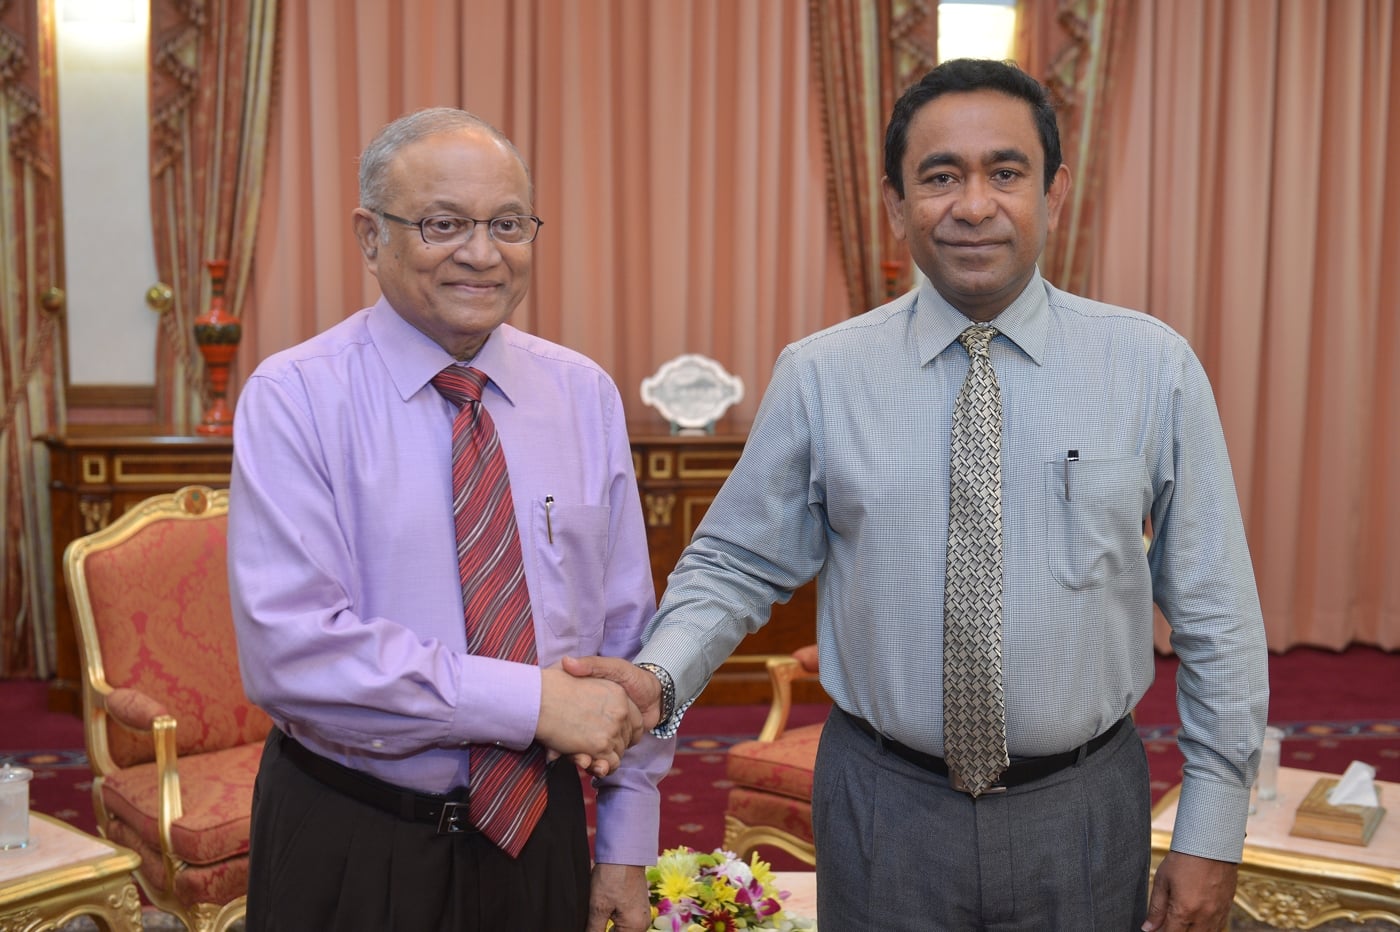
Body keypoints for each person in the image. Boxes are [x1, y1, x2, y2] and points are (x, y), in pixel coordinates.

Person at [569, 58, 1268, 931]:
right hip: (883, 811)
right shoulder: (822, 374)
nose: (973, 206)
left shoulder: (1152, 367)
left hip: (1083, 813)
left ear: (1053, 193)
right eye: (940, 178)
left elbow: (1216, 613)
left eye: (1004, 173)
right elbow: (733, 564)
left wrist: (1213, 830)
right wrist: (659, 676)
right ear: (896, 206)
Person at [227, 107, 673, 931]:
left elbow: (628, 640)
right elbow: (292, 650)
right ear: (370, 237)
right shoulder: (295, 397)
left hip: (540, 833)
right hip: (353, 833)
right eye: (443, 224)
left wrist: (626, 837)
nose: (482, 253)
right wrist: (529, 703)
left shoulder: (583, 395)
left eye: (508, 224)